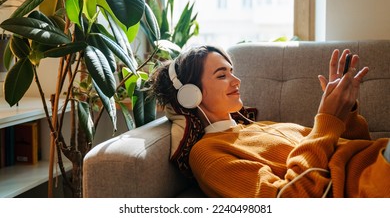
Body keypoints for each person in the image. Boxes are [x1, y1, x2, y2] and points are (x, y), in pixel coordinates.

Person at [148, 45, 390, 198]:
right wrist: (327, 120)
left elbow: (356, 150)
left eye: (232, 71)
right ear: (191, 94)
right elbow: (287, 200)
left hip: (377, 163)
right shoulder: (207, 153)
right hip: (369, 186)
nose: (236, 80)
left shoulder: (260, 127)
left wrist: (344, 112)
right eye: (222, 75)